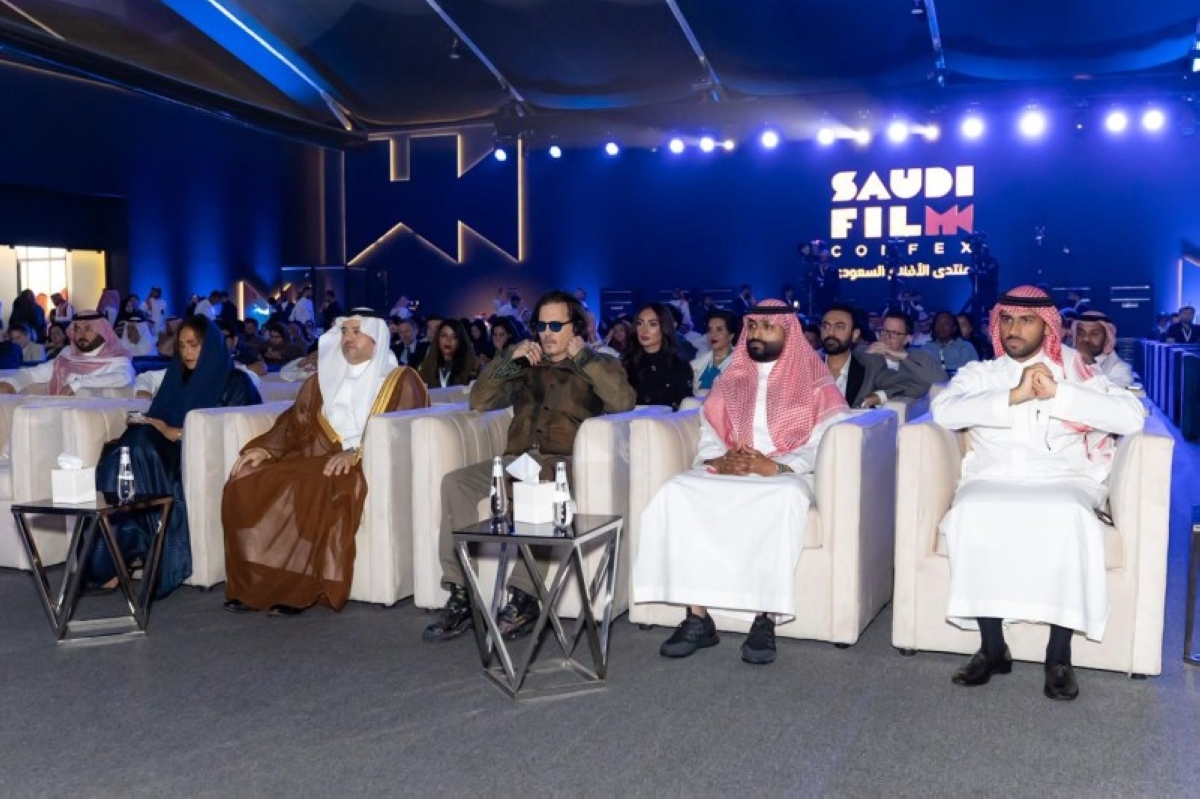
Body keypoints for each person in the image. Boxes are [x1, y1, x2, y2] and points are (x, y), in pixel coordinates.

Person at [932, 285, 1144, 701]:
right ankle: (992, 648)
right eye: (1007, 320)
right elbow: (944, 410)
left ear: (1047, 326)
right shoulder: (982, 373)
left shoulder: (1075, 371)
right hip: (993, 476)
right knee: (973, 510)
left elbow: (1131, 417)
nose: (1013, 329)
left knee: (1066, 515)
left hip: (1062, 479)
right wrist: (1015, 395)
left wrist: (1059, 394)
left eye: (1026, 320)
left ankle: (1058, 656)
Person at [632, 300, 850, 665]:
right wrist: (719, 460)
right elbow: (709, 431)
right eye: (752, 327)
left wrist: (776, 465)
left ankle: (764, 618)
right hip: (732, 467)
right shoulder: (732, 378)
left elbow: (828, 439)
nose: (757, 334)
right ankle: (698, 618)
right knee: (676, 492)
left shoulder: (814, 380)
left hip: (784, 473)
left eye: (768, 327)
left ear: (788, 333)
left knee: (780, 500)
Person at [423, 290, 636, 642]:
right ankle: (462, 593)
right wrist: (510, 360)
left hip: (561, 464)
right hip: (518, 460)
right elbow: (480, 400)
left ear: (575, 328)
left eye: (556, 325)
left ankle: (524, 597)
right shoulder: (527, 365)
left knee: (539, 482)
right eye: (541, 325)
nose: (547, 333)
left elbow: (623, 401)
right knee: (455, 482)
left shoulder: (598, 363)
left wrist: (583, 357)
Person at [222, 309, 429, 616]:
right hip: (317, 456)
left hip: (361, 464)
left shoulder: (400, 379)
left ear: (377, 337)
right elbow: (296, 420)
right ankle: (259, 583)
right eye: (344, 332)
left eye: (357, 332)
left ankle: (297, 589)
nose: (348, 338)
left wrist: (356, 452)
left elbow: (401, 433)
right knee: (245, 478)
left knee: (314, 481)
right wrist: (267, 449)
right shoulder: (323, 378)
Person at [87, 317, 263, 597]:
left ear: (211, 345)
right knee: (137, 439)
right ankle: (126, 546)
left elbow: (231, 436)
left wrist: (172, 432)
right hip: (159, 460)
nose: (186, 352)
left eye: (194, 345)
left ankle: (113, 561)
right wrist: (150, 424)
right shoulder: (176, 377)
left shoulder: (236, 382)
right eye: (181, 346)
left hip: (196, 463)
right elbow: (157, 416)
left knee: (138, 449)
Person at [0, 311, 133, 395]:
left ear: (102, 332)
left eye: (88, 329)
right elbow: (37, 373)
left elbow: (123, 377)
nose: (81, 335)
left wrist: (78, 385)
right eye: (77, 329)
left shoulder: (117, 360)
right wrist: (12, 383)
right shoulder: (68, 355)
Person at [624, 303, 694, 410]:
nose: (644, 330)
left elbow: (685, 408)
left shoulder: (679, 365)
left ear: (664, 327)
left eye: (652, 324)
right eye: (639, 323)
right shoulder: (626, 364)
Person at [1072, 311, 1134, 389]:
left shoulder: (1121, 369)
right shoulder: (1066, 361)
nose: (1086, 339)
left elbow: (1111, 394)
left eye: (1094, 334)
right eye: (1080, 333)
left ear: (1107, 339)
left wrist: (1090, 362)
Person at [416, 319, 478, 387]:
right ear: (438, 338)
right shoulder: (428, 365)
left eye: (454, 337)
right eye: (444, 335)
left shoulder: (470, 366)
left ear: (460, 341)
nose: (448, 340)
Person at [691, 310, 740, 392]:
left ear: (731, 335)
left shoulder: (742, 365)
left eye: (719, 329)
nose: (713, 334)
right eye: (709, 330)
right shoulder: (695, 364)